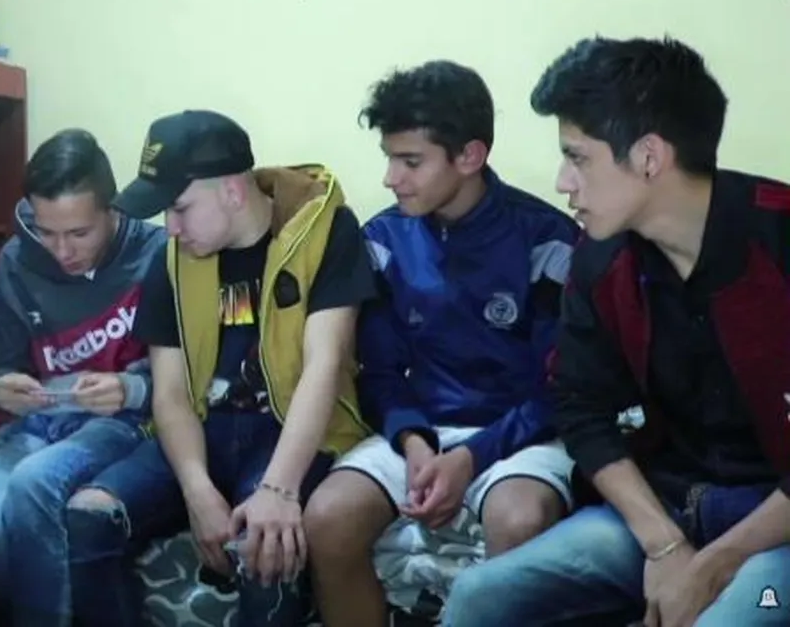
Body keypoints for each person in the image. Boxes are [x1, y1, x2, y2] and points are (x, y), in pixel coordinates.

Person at [442, 36, 790, 627]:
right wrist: (665, 544)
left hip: (774, 531)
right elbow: (579, 405)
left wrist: (712, 566)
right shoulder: (602, 259)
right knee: (479, 598)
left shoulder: (778, 242)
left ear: (649, 156)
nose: (562, 182)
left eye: (577, 158)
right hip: (663, 509)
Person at [67, 109, 374, 627]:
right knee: (89, 516)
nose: (170, 226)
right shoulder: (172, 259)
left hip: (287, 432)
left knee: (265, 541)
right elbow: (170, 394)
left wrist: (278, 491)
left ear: (232, 191)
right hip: (204, 432)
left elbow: (324, 365)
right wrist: (197, 490)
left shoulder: (326, 232)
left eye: (180, 208)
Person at [301, 61, 580, 626]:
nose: (390, 178)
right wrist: (415, 443)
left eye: (410, 162)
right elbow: (378, 371)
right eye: (389, 158)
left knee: (519, 519)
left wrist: (472, 457)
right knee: (327, 516)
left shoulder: (547, 239)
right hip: (420, 429)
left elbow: (561, 389)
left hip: (521, 434)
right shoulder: (383, 238)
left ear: (469, 156)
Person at [0, 129, 166, 626]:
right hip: (39, 420)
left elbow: (188, 372)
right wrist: (2, 387)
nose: (62, 250)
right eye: (46, 232)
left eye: (79, 234)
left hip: (121, 420)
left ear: (111, 209)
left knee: (33, 483)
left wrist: (130, 387)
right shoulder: (16, 261)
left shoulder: (158, 254)